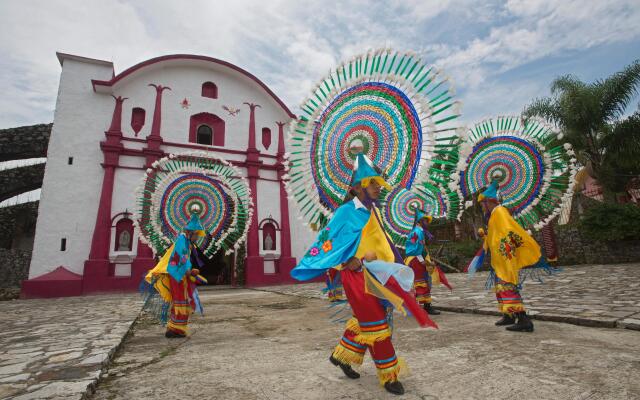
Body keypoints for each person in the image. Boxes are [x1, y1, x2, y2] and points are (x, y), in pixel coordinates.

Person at [291, 153, 436, 396]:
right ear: (358, 187)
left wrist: (399, 267)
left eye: (378, 183)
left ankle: (342, 356)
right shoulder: (346, 212)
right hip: (358, 277)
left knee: (372, 321)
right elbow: (328, 242)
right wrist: (352, 260)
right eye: (373, 183)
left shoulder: (374, 211)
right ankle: (389, 375)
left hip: (381, 275)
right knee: (377, 325)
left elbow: (383, 242)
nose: (379, 187)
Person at [474, 180, 553, 333]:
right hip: (499, 257)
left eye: (482, 203)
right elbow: (496, 235)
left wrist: (502, 249)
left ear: (488, 201)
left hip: (504, 256)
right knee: (501, 287)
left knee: (507, 285)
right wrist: (486, 236)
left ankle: (523, 319)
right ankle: (508, 315)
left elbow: (507, 232)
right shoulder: (494, 214)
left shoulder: (499, 211)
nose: (482, 207)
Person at [142, 213, 208, 338]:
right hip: (177, 275)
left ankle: (176, 328)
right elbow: (181, 257)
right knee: (180, 302)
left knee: (182, 301)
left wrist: (190, 270)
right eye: (197, 235)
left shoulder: (187, 243)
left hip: (180, 275)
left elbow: (184, 259)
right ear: (190, 233)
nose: (197, 238)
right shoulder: (182, 240)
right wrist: (189, 271)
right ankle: (175, 329)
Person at [404, 209, 452, 315]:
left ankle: (423, 306)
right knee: (422, 283)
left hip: (417, 259)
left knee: (424, 282)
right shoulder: (418, 232)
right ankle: (425, 307)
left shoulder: (418, 231)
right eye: (425, 220)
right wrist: (423, 262)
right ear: (420, 221)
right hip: (417, 259)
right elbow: (416, 249)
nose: (427, 223)